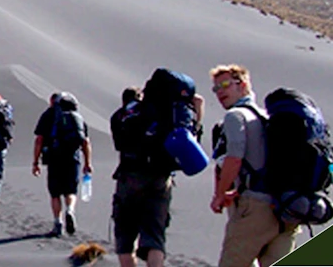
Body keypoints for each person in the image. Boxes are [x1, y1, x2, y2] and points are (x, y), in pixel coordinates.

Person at [209, 64, 298, 267]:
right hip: (287, 211)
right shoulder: (269, 117)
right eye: (216, 88)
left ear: (243, 84)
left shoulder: (236, 116)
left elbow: (234, 158)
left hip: (255, 209)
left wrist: (220, 194)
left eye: (225, 85)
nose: (220, 92)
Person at [110, 83, 204, 267]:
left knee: (125, 237)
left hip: (129, 177)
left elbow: (119, 145)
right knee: (155, 236)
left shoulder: (119, 116)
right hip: (160, 177)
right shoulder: (159, 112)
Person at [32, 92, 92, 237]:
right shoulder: (76, 117)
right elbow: (85, 142)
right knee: (70, 191)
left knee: (55, 193)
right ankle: (70, 210)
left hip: (53, 158)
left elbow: (39, 140)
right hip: (73, 158)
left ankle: (57, 222)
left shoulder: (48, 116)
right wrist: (88, 163)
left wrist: (36, 161)